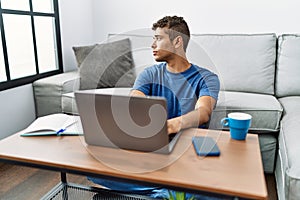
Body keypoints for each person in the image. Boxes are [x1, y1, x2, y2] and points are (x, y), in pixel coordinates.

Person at [90, 16, 220, 199]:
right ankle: (165, 192)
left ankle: (154, 191)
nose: (152, 45)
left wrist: (168, 126)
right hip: (153, 151)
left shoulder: (206, 77)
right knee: (94, 170)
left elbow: (204, 112)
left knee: (220, 193)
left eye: (158, 39)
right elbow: (134, 102)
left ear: (177, 41)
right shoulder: (149, 74)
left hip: (186, 152)